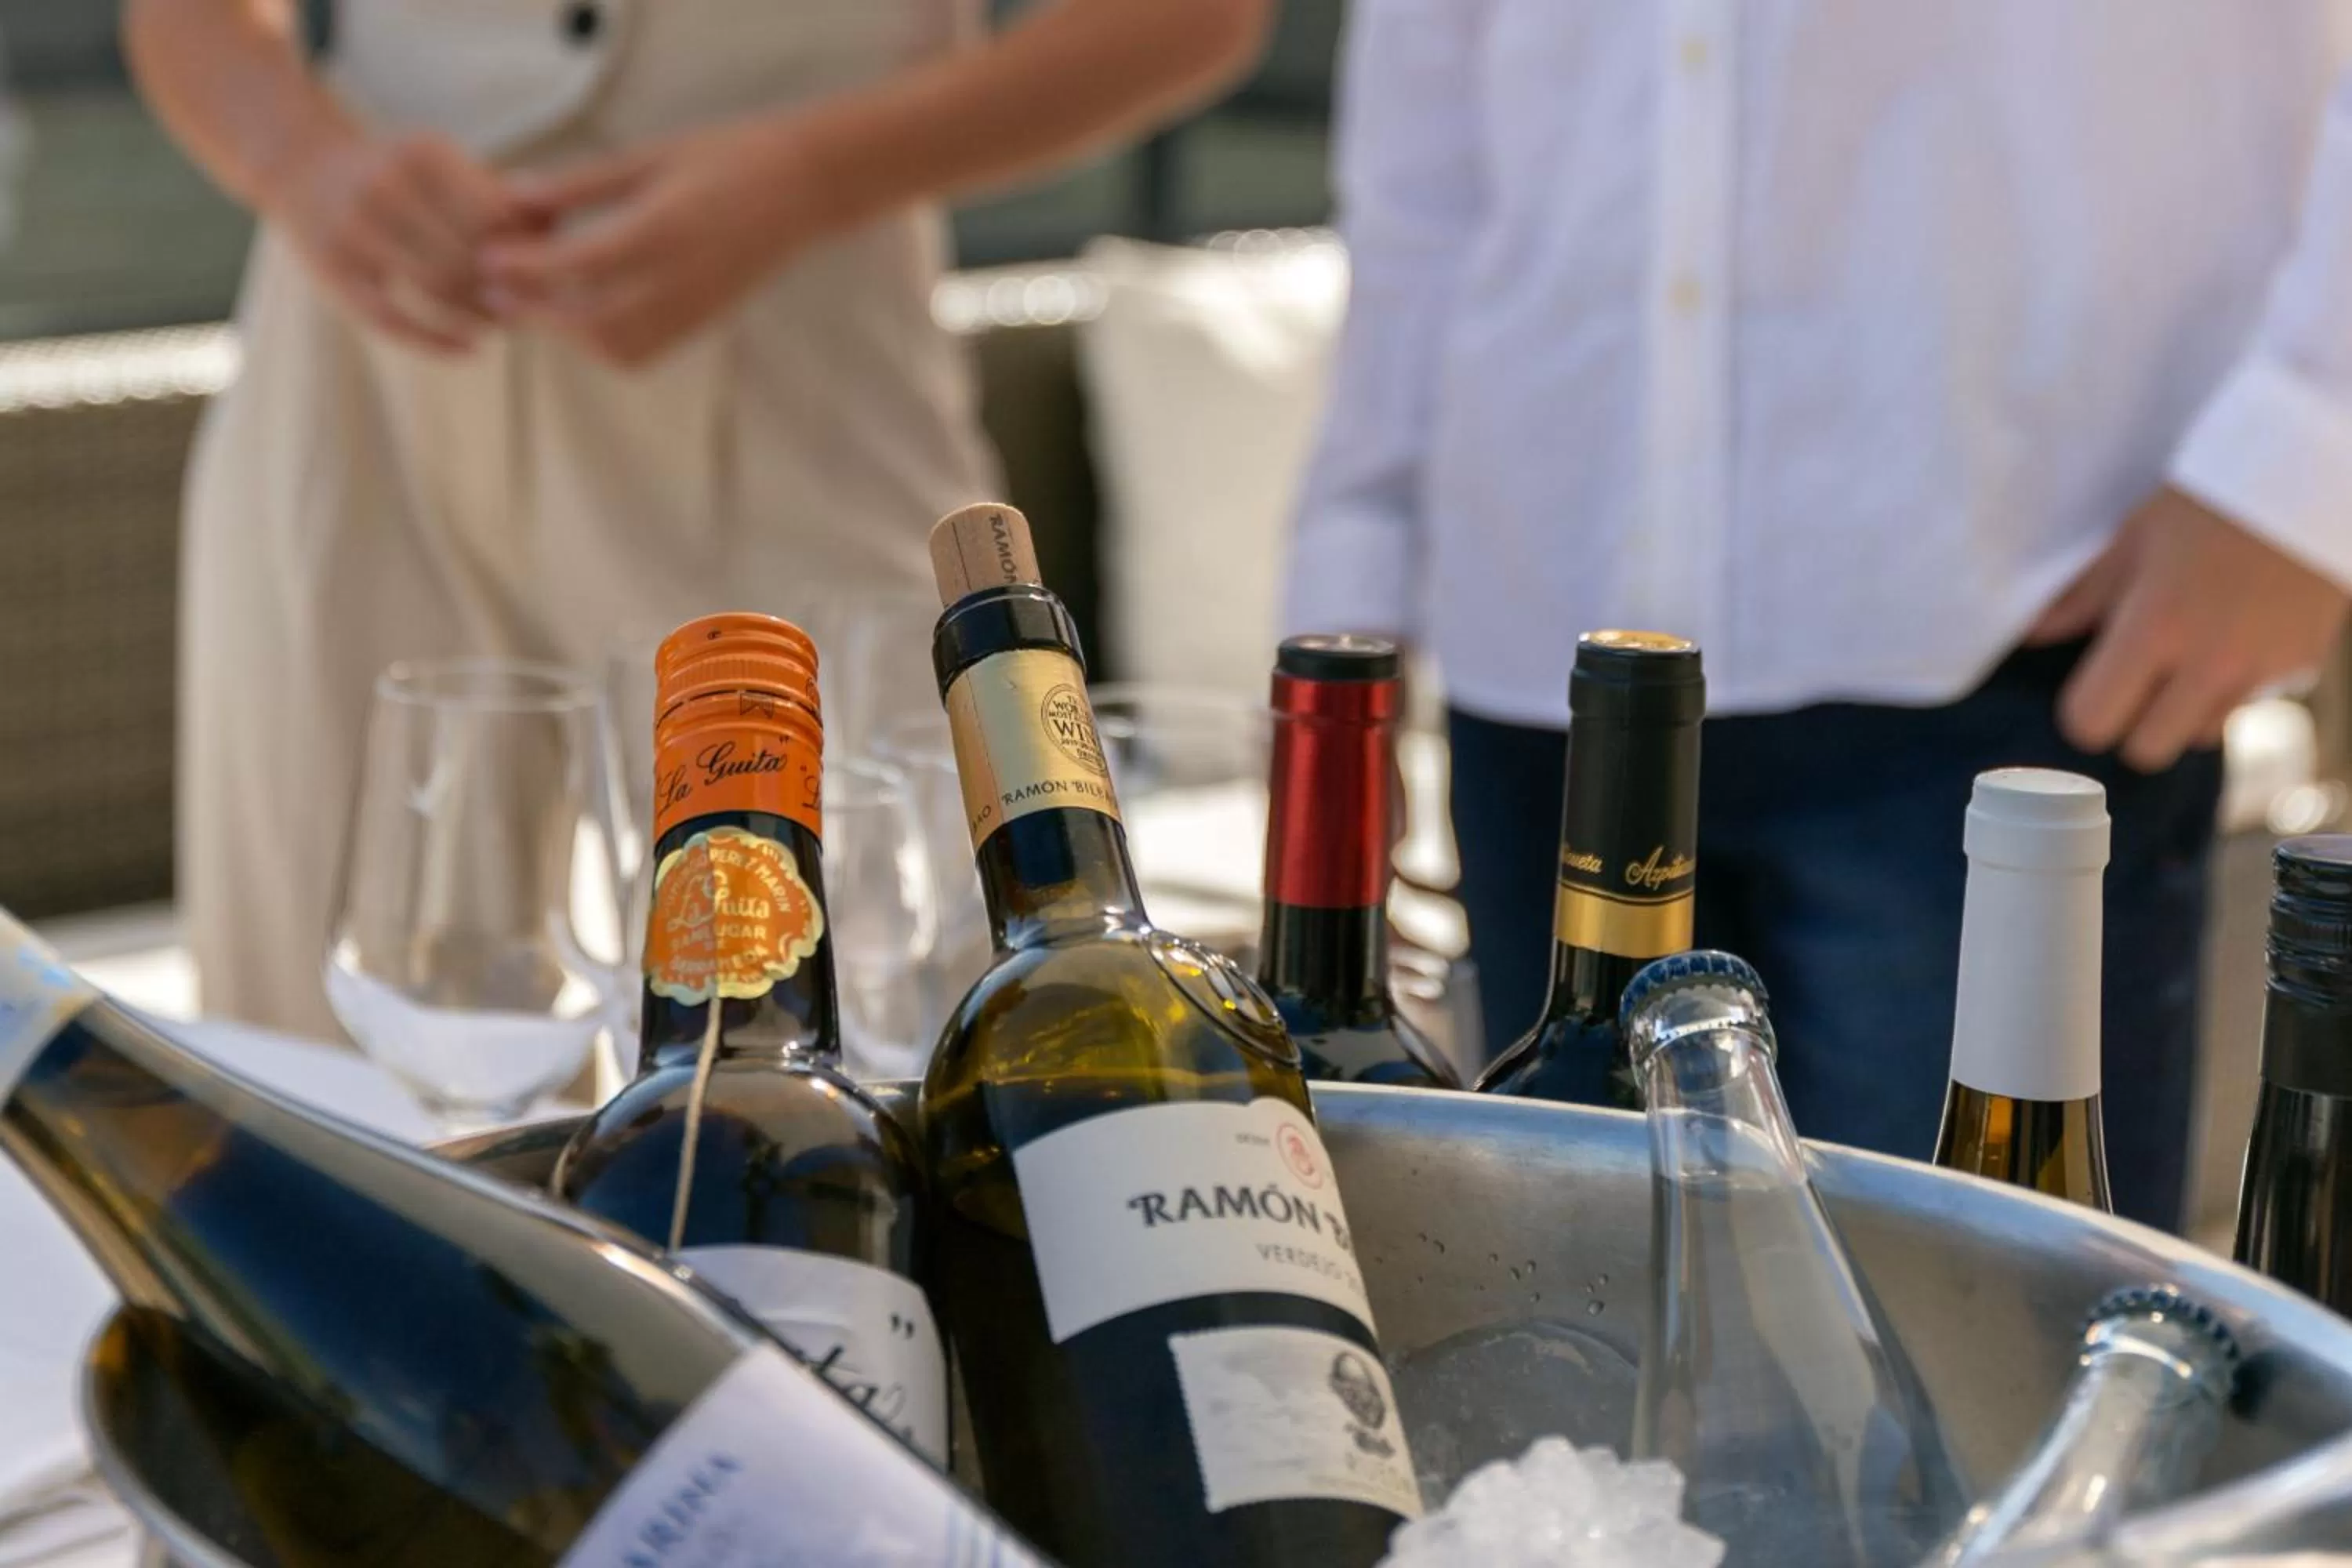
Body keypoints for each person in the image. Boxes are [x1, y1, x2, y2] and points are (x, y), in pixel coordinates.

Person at [1287, 3, 2352, 1232]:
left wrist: (2306, 452)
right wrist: (1349, 577)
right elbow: (1425, 126)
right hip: (1541, 652)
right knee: (1576, 1361)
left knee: (1999, 1375)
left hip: (2012, 635)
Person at [129, 0, 1272, 1040]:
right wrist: (301, 161)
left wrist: (815, 175)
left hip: (805, 359)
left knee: (901, 1015)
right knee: (326, 1058)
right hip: (365, 363)